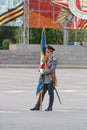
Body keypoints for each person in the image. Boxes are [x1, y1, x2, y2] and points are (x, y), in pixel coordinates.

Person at [30, 45, 58, 111]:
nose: (47, 53)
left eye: (49, 52)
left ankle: (50, 107)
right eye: (46, 52)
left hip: (51, 79)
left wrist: (43, 71)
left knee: (51, 94)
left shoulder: (54, 60)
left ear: (52, 52)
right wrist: (40, 69)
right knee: (41, 93)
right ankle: (37, 106)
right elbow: (41, 67)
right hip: (44, 80)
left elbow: (52, 70)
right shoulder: (45, 59)